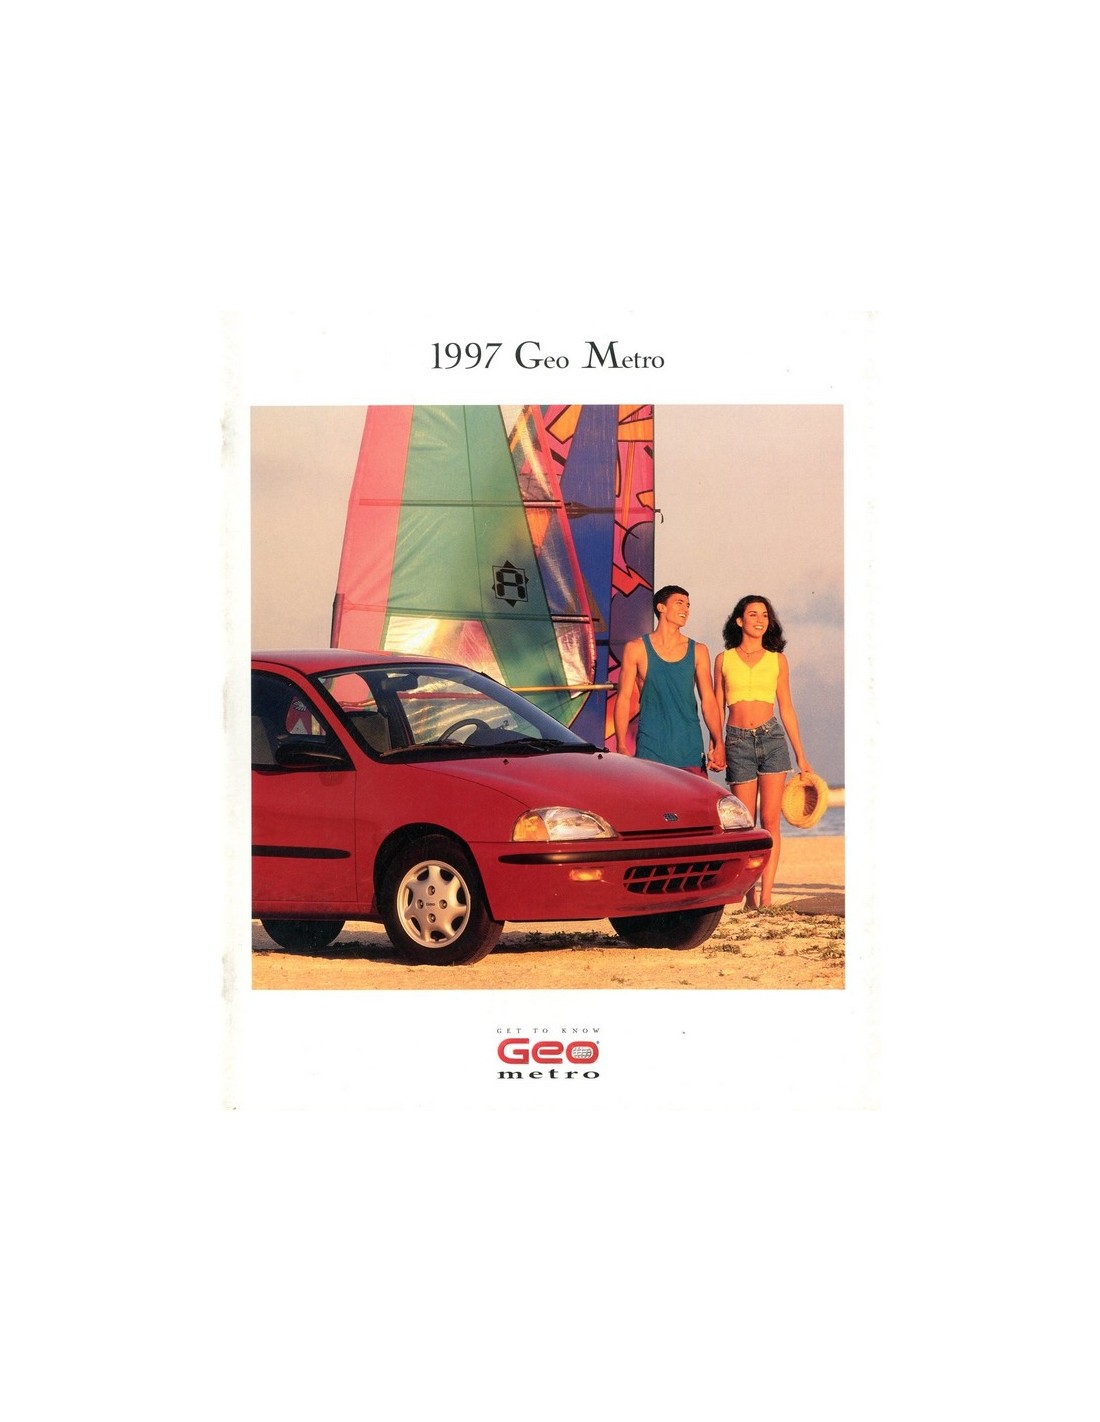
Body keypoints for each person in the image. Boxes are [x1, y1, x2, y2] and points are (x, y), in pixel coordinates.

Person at [713, 594, 814, 907]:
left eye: (765, 615)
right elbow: (716, 706)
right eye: (753, 614)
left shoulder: (777, 660)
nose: (759, 620)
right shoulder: (723, 659)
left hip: (772, 739)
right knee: (745, 825)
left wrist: (801, 755)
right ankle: (750, 896)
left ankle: (766, 897)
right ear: (739, 620)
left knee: (771, 821)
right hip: (737, 741)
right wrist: (716, 744)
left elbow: (787, 708)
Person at [614, 585, 725, 775]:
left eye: (688, 605)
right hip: (650, 750)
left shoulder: (699, 650)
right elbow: (623, 699)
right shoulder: (636, 648)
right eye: (679, 603)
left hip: (690, 749)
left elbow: (708, 701)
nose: (686, 609)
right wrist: (621, 745)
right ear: (661, 607)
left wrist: (719, 743)